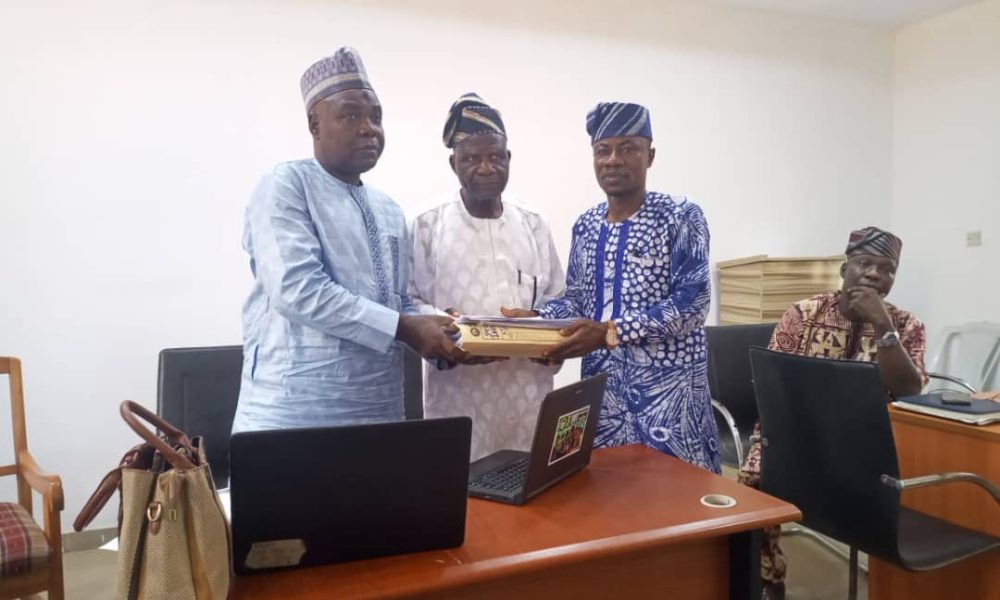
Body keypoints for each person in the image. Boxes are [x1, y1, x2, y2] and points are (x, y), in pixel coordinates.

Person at [233, 48, 462, 434]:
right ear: (314, 124)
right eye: (351, 115)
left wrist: (449, 331)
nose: (369, 128)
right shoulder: (285, 185)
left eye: (376, 117)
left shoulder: (388, 209)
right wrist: (407, 327)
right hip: (293, 417)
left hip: (379, 412)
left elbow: (396, 301)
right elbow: (299, 290)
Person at [504, 102, 720, 473]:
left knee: (677, 495)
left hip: (668, 396)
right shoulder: (586, 225)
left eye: (627, 148)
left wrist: (610, 331)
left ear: (650, 156)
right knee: (608, 489)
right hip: (604, 396)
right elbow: (578, 299)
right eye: (602, 150)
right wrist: (539, 320)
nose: (613, 160)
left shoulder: (681, 216)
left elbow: (692, 304)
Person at [738, 226, 928, 600]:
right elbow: (772, 385)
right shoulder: (803, 314)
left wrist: (883, 326)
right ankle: (767, 576)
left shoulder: (906, 325)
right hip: (792, 436)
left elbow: (910, 389)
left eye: (886, 269)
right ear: (844, 269)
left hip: (865, 446)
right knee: (753, 479)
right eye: (864, 263)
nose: (874, 274)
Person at [408, 93, 565, 460]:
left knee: (530, 483)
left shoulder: (533, 223)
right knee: (459, 486)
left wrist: (541, 320)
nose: (486, 168)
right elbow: (408, 300)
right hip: (458, 396)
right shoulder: (426, 225)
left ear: (509, 158)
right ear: (453, 163)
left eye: (495, 156)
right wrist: (444, 325)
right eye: (471, 158)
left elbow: (559, 297)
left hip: (528, 394)